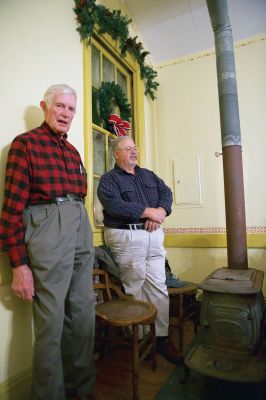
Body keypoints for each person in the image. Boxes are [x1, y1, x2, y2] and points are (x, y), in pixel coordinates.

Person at [0, 84, 95, 400]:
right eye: (61, 107)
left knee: (82, 312)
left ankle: (79, 387)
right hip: (47, 226)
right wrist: (19, 264)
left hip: (80, 224)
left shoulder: (72, 152)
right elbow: (12, 208)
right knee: (51, 323)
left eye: (71, 109)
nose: (66, 114)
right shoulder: (25, 145)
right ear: (45, 106)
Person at [97, 135, 183, 364]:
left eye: (135, 148)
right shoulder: (108, 180)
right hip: (126, 236)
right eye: (128, 149)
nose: (134, 152)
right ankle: (143, 338)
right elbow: (115, 205)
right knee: (135, 287)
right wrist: (148, 211)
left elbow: (167, 193)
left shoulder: (149, 175)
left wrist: (161, 212)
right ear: (117, 154)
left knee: (158, 286)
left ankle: (161, 340)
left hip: (153, 235)